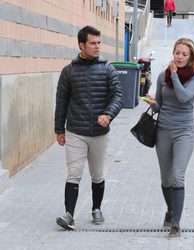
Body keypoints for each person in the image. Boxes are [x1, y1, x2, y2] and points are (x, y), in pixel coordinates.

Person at [54, 25, 123, 230]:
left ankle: (96, 208)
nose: (97, 46)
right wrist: (59, 129)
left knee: (97, 174)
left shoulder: (108, 69)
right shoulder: (69, 71)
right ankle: (69, 215)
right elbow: (61, 102)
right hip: (76, 131)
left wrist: (108, 115)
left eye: (99, 43)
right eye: (93, 43)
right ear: (81, 45)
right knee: (74, 172)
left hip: (100, 133)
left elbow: (118, 95)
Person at [145, 38, 194, 237]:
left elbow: (184, 97)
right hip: (163, 130)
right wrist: (152, 104)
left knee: (178, 176)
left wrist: (175, 76)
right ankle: (170, 210)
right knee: (166, 177)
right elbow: (160, 106)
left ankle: (176, 224)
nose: (179, 57)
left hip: (184, 131)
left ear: (191, 57)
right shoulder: (163, 76)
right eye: (177, 52)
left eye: (184, 54)